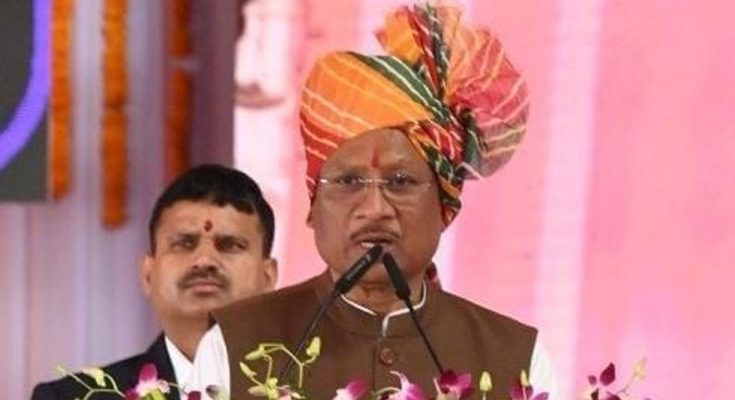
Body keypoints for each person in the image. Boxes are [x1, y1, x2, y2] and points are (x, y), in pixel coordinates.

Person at [193, 4, 557, 399]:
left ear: (445, 208)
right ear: (314, 207)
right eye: (348, 181)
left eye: (400, 182)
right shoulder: (232, 346)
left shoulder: (517, 360)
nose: (375, 208)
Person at [31, 164, 278, 399]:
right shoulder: (68, 397)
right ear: (148, 274)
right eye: (184, 243)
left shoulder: (298, 389)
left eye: (230, 245)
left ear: (268, 277)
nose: (204, 260)